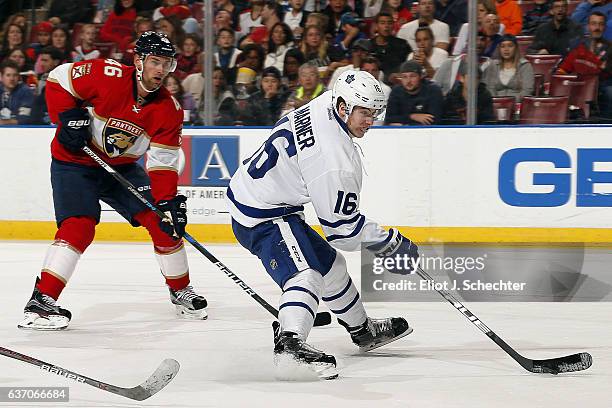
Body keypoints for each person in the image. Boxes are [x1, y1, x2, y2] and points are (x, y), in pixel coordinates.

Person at [226, 69, 416, 378]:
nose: (370, 120)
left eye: (374, 113)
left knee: (332, 266)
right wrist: (389, 242)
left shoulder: (326, 101)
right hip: (263, 214)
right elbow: (341, 231)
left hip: (261, 197)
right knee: (306, 275)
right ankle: (290, 345)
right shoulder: (334, 159)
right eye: (364, 112)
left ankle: (362, 330)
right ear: (343, 107)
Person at [18, 31, 208, 331]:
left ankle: (181, 290)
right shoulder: (107, 74)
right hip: (75, 162)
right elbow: (58, 78)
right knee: (79, 225)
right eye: (155, 62)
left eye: (167, 64)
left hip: (121, 167)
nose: (160, 70)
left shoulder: (169, 111)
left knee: (163, 222)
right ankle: (42, 301)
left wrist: (167, 202)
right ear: (138, 61)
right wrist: (67, 116)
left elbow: (162, 163)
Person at [385, 60, 444, 125]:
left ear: (421, 76)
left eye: (412, 76)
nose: (408, 81)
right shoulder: (396, 91)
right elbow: (389, 118)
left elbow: (433, 120)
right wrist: (412, 117)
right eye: (404, 77)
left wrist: (403, 122)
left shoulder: (433, 90)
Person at [483, 34, 534, 99]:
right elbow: (489, 88)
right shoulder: (493, 65)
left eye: (510, 46)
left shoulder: (525, 65)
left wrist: (510, 103)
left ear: (516, 48)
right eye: (502, 46)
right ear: (499, 49)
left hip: (517, 105)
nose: (506, 49)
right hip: (495, 104)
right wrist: (496, 102)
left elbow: (527, 90)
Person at [0, 61, 34, 125]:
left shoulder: (26, 91)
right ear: (1, 77)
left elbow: (24, 119)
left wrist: (4, 122)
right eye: (8, 75)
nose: (12, 79)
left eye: (15, 75)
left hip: (19, 130)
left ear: (19, 77)